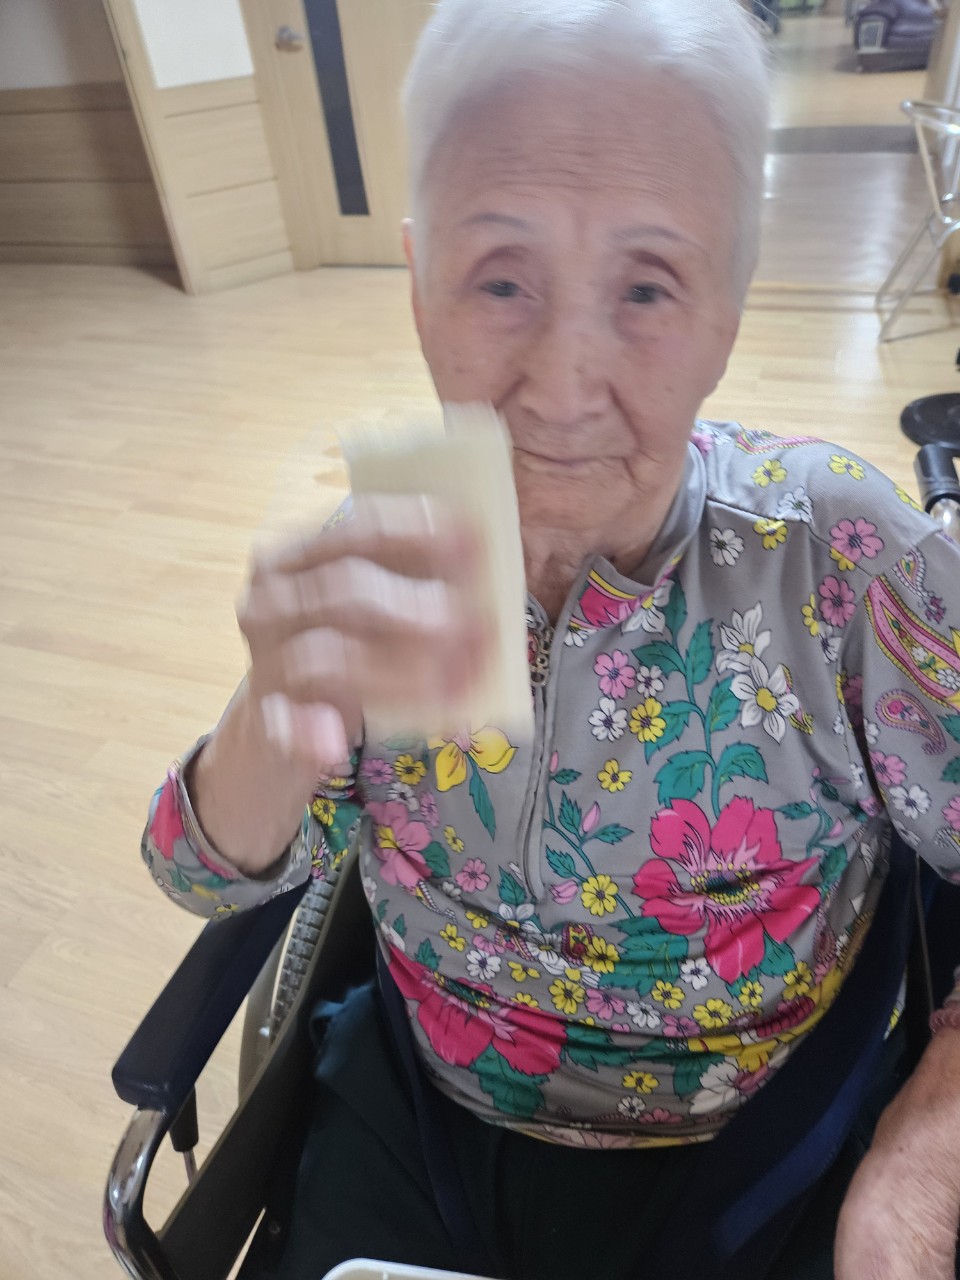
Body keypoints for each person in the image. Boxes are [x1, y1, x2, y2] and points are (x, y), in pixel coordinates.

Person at [141, 1, 960, 1276]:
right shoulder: (390, 547)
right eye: (501, 279)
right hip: (419, 1118)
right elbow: (203, 878)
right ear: (421, 285)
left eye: (647, 286)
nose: (564, 386)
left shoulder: (843, 563)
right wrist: (274, 711)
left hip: (760, 1139)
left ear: (730, 309)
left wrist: (924, 1152)